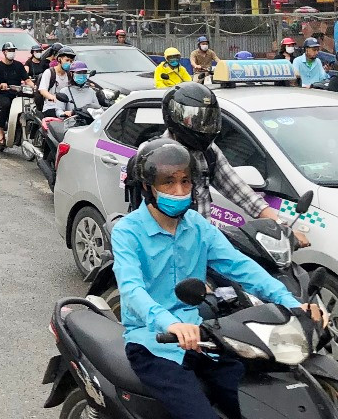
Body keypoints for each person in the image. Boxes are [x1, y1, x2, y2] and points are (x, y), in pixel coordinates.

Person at [113, 138, 317, 419]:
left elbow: (241, 267)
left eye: (185, 182)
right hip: (153, 343)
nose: (180, 190)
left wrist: (291, 303)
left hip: (203, 337)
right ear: (148, 186)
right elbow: (131, 289)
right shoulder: (127, 232)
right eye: (168, 182)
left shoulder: (197, 225)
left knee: (262, 402)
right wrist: (169, 322)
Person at [137, 82, 307, 244]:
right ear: (175, 116)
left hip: (201, 242)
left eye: (208, 119)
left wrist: (281, 226)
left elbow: (240, 191)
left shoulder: (209, 152)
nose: (203, 126)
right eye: (195, 119)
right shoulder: (152, 154)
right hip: (161, 245)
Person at [0, 41, 31, 146]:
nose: (12, 53)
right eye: (10, 51)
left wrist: (34, 86)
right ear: (4, 52)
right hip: (4, 94)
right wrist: (1, 85)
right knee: (7, 105)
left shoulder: (18, 65)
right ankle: (0, 129)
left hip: (17, 94)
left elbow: (27, 79)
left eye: (13, 51)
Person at [38, 46, 76, 118]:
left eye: (71, 61)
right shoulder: (49, 72)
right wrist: (53, 98)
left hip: (66, 107)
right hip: (51, 106)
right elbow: (42, 90)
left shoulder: (69, 74)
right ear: (59, 59)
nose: (69, 63)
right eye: (67, 60)